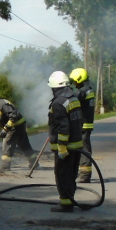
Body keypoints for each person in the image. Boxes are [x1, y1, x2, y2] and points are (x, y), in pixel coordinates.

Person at [47, 71, 84, 212]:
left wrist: (61, 146)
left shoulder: (58, 103)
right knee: (71, 174)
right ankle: (70, 199)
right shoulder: (73, 99)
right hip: (77, 144)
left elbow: (63, 127)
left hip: (66, 147)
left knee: (62, 175)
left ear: (55, 87)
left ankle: (65, 204)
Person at [0, 89, 36, 171]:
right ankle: (34, 162)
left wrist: (5, 129)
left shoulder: (3, 105)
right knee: (23, 144)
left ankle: (5, 167)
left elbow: (13, 116)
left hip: (15, 126)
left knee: (7, 143)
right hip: (16, 126)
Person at [69, 68, 96, 183]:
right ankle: (79, 173)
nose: (74, 83)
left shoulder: (83, 91)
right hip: (86, 125)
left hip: (82, 125)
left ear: (79, 79)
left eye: (74, 81)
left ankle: (85, 175)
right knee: (81, 149)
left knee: (83, 150)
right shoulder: (89, 90)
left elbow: (72, 99)